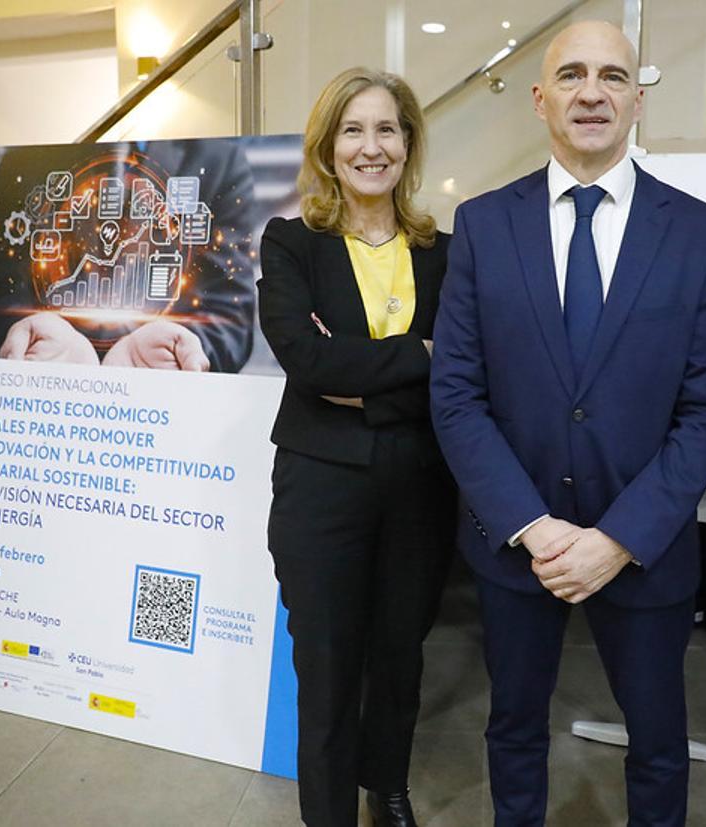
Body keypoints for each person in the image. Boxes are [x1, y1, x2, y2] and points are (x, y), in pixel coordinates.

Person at [430, 21, 706, 826]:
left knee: (659, 739)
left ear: (638, 98)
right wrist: (534, 528)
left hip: (645, 545)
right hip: (517, 543)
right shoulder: (484, 225)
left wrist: (617, 538)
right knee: (513, 727)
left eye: (611, 76)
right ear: (540, 99)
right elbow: (457, 394)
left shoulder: (703, 235)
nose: (591, 91)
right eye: (571, 74)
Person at [257, 68, 454, 827]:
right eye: (354, 130)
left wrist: (363, 376)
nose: (371, 147)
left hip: (421, 483)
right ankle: (330, 812)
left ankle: (389, 785)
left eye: (387, 129)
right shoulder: (292, 242)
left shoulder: (444, 250)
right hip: (320, 486)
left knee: (401, 652)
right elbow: (309, 365)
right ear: (328, 145)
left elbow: (464, 369)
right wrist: (423, 354)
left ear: (408, 143)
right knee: (330, 665)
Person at [0, 139, 257, 372]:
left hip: (163, 401)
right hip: (50, 394)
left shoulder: (220, 160)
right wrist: (26, 336)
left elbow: (228, 314)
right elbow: (0, 303)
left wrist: (181, 350)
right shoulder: (24, 163)